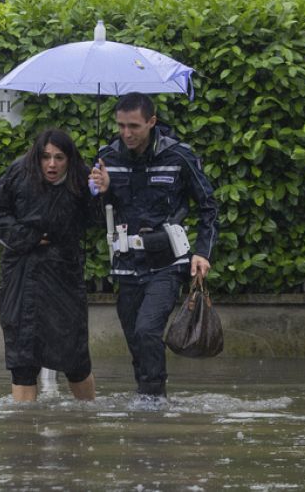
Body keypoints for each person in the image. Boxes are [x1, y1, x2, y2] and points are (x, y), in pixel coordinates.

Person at [89, 92, 218, 403]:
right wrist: (101, 192)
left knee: (148, 331)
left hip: (167, 263)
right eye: (121, 125)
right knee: (136, 340)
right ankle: (147, 399)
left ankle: (153, 402)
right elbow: (95, 217)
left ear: (151, 122)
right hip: (124, 264)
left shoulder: (179, 156)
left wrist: (202, 252)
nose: (126, 133)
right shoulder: (107, 157)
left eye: (134, 126)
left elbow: (208, 207)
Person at [0, 128, 100, 402]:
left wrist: (101, 192)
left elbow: (95, 221)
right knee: (22, 358)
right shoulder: (19, 173)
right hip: (21, 274)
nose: (52, 164)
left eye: (59, 158)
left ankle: (87, 418)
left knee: (75, 357)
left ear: (69, 159)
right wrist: (29, 237)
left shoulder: (83, 178)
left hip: (64, 274)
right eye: (46, 157)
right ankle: (24, 432)